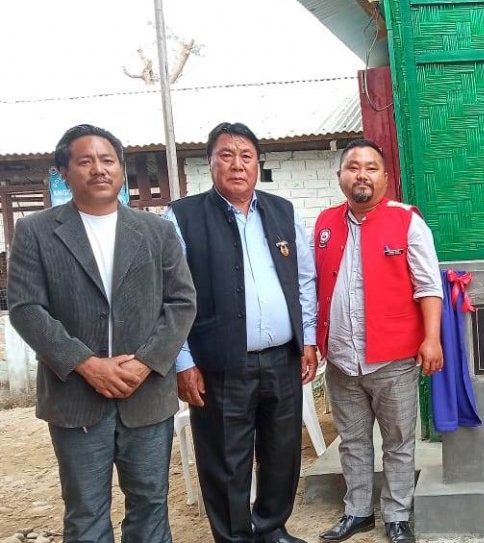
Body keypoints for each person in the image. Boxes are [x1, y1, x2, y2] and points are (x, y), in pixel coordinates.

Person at [7, 124, 196, 542]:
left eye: (108, 160)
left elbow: (182, 303)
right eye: (85, 160)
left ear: (121, 169)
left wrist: (147, 361)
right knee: (86, 512)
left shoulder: (156, 231)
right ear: (63, 171)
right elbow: (25, 308)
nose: (99, 169)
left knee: (150, 504)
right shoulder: (36, 231)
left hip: (146, 395)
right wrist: (84, 364)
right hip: (76, 398)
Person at [165, 122, 318, 543]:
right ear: (210, 163)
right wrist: (184, 362)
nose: (237, 165)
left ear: (257, 163)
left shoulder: (282, 211)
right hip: (218, 364)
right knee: (226, 459)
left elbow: (304, 280)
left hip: (282, 358)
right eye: (226, 155)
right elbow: (170, 295)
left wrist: (306, 339)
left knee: (282, 450)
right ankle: (234, 537)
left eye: (246, 156)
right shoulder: (182, 217)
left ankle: (271, 528)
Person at [314, 139, 443, 543]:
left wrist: (432, 339)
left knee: (398, 442)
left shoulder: (407, 222)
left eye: (371, 167)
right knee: (352, 442)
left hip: (393, 358)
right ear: (340, 176)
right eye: (353, 167)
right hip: (340, 359)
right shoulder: (323, 224)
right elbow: (311, 286)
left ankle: (397, 516)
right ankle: (357, 512)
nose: (362, 174)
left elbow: (428, 285)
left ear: (385, 178)